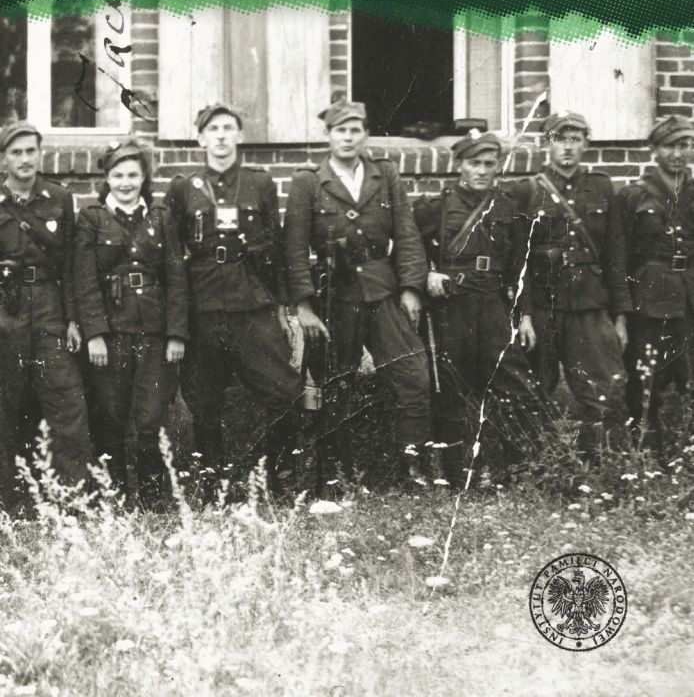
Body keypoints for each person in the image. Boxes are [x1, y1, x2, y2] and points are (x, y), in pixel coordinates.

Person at [284, 98, 431, 486]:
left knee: (412, 375)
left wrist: (411, 288)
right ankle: (339, 471)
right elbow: (294, 249)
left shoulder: (386, 174)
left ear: (365, 134)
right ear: (329, 136)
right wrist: (304, 307)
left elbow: (407, 235)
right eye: (340, 131)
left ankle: (411, 466)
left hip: (383, 291)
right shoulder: (308, 182)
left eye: (355, 130)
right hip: (335, 295)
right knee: (336, 384)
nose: (347, 138)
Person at [164, 103, 301, 493]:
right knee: (204, 399)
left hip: (250, 303)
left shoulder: (260, 183)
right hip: (203, 305)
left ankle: (279, 477)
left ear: (239, 135)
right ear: (201, 139)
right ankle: (213, 482)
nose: (221, 135)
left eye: (228, 128)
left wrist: (282, 307)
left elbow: (275, 248)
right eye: (213, 129)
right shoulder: (183, 188)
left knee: (284, 389)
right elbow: (172, 256)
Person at [414, 132, 543, 487]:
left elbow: (520, 265)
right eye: (475, 163)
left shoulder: (507, 206)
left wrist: (525, 315)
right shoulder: (436, 207)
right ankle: (456, 471)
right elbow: (409, 248)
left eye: (489, 164)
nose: (482, 171)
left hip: (492, 303)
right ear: (460, 165)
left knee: (513, 381)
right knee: (452, 386)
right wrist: (427, 274)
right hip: (452, 305)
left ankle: (516, 466)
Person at [74, 138, 187, 505]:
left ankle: (153, 500)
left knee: (151, 416)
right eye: (118, 175)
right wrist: (95, 334)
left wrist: (176, 333)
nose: (125, 183)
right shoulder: (92, 219)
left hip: (154, 332)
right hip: (111, 334)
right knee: (110, 417)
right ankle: (115, 499)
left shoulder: (160, 217)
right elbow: (85, 281)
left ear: (143, 178)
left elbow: (176, 278)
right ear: (107, 178)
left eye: (133, 175)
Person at [514, 112, 630, 459]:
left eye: (575, 139)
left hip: (589, 306)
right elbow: (518, 261)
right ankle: (537, 464)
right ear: (546, 144)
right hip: (543, 306)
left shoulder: (602, 188)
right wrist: (524, 315)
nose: (567, 147)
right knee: (534, 388)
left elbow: (615, 255)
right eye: (559, 139)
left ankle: (599, 465)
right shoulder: (528, 191)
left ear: (585, 144)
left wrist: (620, 315)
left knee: (604, 389)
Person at [0, 121, 91, 509]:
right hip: (6, 309)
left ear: (40, 154)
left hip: (50, 307)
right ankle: (9, 503)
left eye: (30, 151)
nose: (24, 159)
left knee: (67, 403)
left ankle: (73, 500)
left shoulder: (59, 198)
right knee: (6, 405)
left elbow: (71, 265)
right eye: (16, 152)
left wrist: (72, 320)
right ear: (4, 159)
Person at [618, 115, 694, 458]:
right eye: (669, 146)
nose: (678, 154)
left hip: (689, 295)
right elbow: (619, 255)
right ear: (654, 150)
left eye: (685, 145)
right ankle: (647, 454)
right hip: (650, 299)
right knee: (647, 378)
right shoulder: (634, 195)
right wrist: (622, 309)